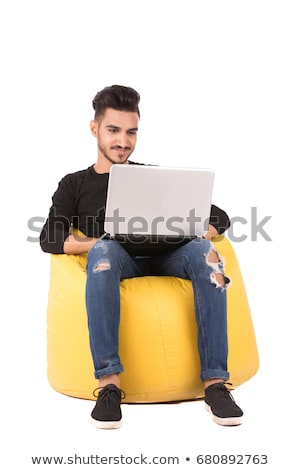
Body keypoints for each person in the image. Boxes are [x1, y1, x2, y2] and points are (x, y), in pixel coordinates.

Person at [40, 84, 243, 429]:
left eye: (131, 132)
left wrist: (194, 230)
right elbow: (50, 237)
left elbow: (220, 216)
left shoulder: (151, 176)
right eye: (114, 130)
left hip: (168, 256)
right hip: (115, 260)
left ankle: (215, 385)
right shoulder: (74, 184)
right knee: (105, 250)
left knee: (205, 253)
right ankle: (109, 386)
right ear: (95, 129)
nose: (123, 141)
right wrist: (100, 241)